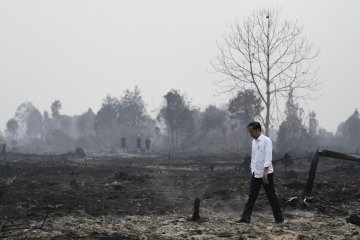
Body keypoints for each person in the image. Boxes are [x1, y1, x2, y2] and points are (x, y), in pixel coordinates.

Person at [238, 122, 284, 224]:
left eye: (252, 132)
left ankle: (279, 218)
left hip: (266, 174)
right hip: (256, 173)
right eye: (249, 132)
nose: (250, 134)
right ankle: (245, 218)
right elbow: (253, 157)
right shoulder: (254, 141)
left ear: (258, 130)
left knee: (271, 196)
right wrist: (252, 170)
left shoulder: (266, 141)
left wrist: (265, 173)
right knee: (252, 196)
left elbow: (268, 158)